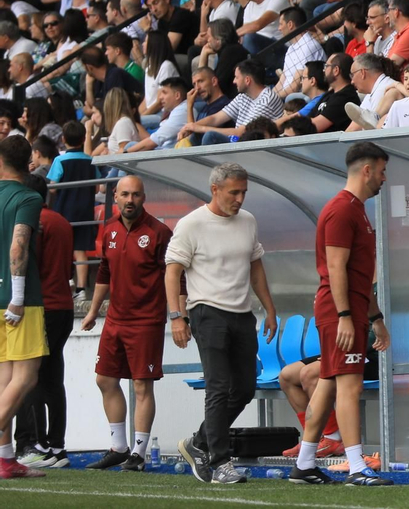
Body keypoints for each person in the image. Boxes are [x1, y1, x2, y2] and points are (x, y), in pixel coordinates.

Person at [289, 141, 392, 486]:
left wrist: (375, 318)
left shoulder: (357, 209)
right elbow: (336, 267)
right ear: (366, 171)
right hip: (339, 312)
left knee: (329, 385)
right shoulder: (341, 210)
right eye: (381, 171)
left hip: (350, 310)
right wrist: (346, 315)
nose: (384, 178)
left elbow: (362, 275)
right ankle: (357, 467)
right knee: (350, 386)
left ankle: (304, 463)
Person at [169, 162, 279, 486]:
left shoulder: (248, 221)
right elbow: (172, 273)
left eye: (244, 192)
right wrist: (177, 317)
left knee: (244, 388)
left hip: (242, 314)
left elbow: (256, 268)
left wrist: (270, 310)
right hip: (206, 312)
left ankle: (199, 442)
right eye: (234, 192)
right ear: (215, 189)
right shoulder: (191, 224)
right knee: (217, 387)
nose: (240, 198)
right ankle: (219, 463)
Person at [80, 175, 171, 471]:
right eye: (125, 195)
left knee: (142, 385)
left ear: (143, 197)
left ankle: (139, 454)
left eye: (136, 195)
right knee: (105, 379)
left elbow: (174, 276)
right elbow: (104, 272)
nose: (130, 200)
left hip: (146, 321)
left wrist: (178, 314)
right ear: (116, 197)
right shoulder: (108, 229)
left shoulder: (159, 232)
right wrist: (94, 311)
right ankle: (119, 447)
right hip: (115, 319)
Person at [12, 174, 69, 471]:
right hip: (63, 306)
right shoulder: (61, 221)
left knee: (27, 373)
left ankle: (32, 443)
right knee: (53, 377)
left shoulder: (35, 223)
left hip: (40, 306)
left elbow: (26, 261)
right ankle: (57, 445)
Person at [0, 136, 46, 480]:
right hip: (21, 300)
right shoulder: (28, 197)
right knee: (26, 377)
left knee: (5, 380)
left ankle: (5, 460)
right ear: (28, 162)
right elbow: (19, 247)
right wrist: (17, 295)